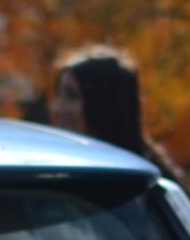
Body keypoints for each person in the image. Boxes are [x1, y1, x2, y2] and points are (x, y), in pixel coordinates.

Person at [47, 45, 180, 181]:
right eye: (58, 94)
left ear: (103, 105)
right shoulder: (53, 170)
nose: (57, 108)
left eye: (72, 95)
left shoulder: (146, 182)